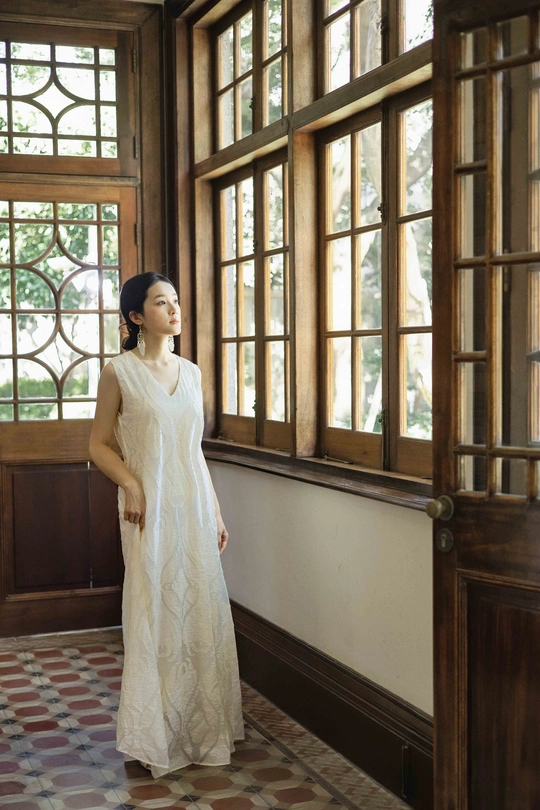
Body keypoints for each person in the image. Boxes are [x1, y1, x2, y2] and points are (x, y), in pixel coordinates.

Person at [89, 272, 244, 777]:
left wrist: (215, 511)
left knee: (199, 611)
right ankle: (154, 735)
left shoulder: (191, 373)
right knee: (153, 610)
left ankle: (202, 730)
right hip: (147, 513)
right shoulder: (119, 372)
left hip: (192, 508)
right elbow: (97, 444)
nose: (174, 309)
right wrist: (131, 485)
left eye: (175, 300)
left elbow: (192, 451)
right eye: (161, 302)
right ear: (136, 316)